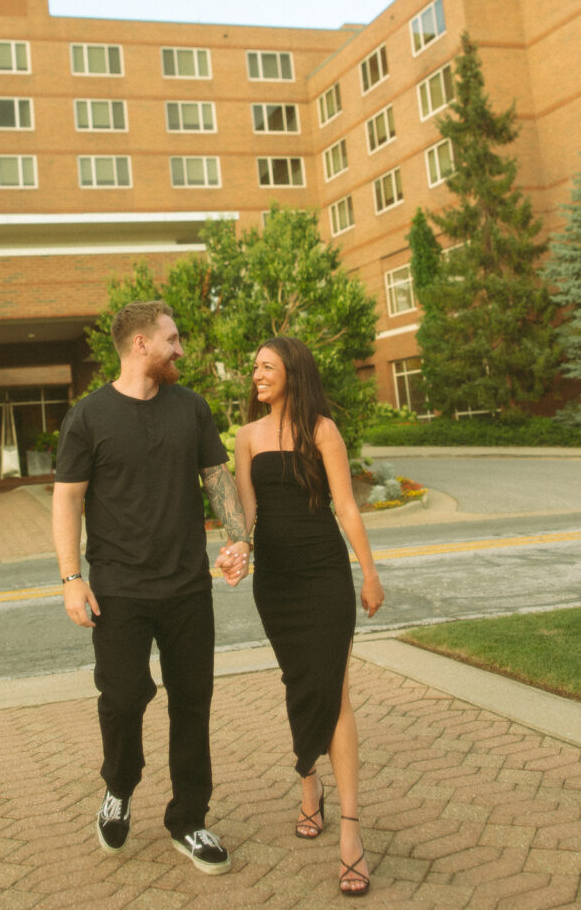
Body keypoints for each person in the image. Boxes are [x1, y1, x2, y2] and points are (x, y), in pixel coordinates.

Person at [52, 300, 251, 875]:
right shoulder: (88, 418)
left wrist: (239, 541)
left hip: (188, 586)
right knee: (122, 697)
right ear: (141, 344)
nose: (180, 349)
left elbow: (217, 479)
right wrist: (71, 579)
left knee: (193, 704)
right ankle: (119, 786)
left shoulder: (190, 408)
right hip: (118, 589)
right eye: (173, 339)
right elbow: (67, 499)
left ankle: (189, 819)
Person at [217, 336, 384, 896]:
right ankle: (309, 781)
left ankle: (353, 831)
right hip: (279, 584)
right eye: (254, 367)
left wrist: (369, 571)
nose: (256, 375)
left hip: (325, 574)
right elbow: (245, 516)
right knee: (299, 683)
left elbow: (348, 506)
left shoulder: (322, 430)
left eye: (266, 366)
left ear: (292, 371)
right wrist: (238, 553)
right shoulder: (246, 438)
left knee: (331, 688)